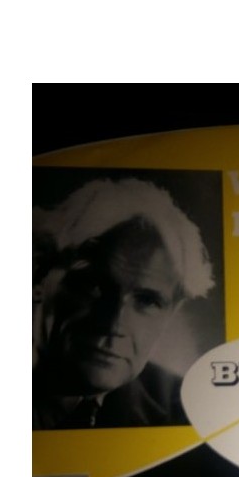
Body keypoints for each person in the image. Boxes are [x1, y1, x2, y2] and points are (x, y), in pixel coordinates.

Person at [33, 177, 215, 429]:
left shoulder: (184, 413)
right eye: (93, 286)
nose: (114, 324)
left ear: (172, 313)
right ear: (38, 277)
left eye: (147, 301)